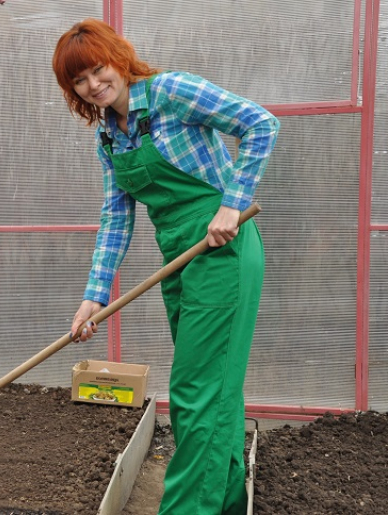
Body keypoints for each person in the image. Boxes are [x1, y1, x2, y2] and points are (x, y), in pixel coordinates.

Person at [52, 19, 279, 515]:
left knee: (194, 390)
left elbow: (260, 123)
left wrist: (230, 205)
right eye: (80, 80)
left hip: (223, 247)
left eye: (97, 68)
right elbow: (116, 218)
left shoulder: (171, 92)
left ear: (117, 58)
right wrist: (94, 297)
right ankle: (221, 501)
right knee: (215, 385)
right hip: (178, 253)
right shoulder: (109, 140)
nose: (93, 84)